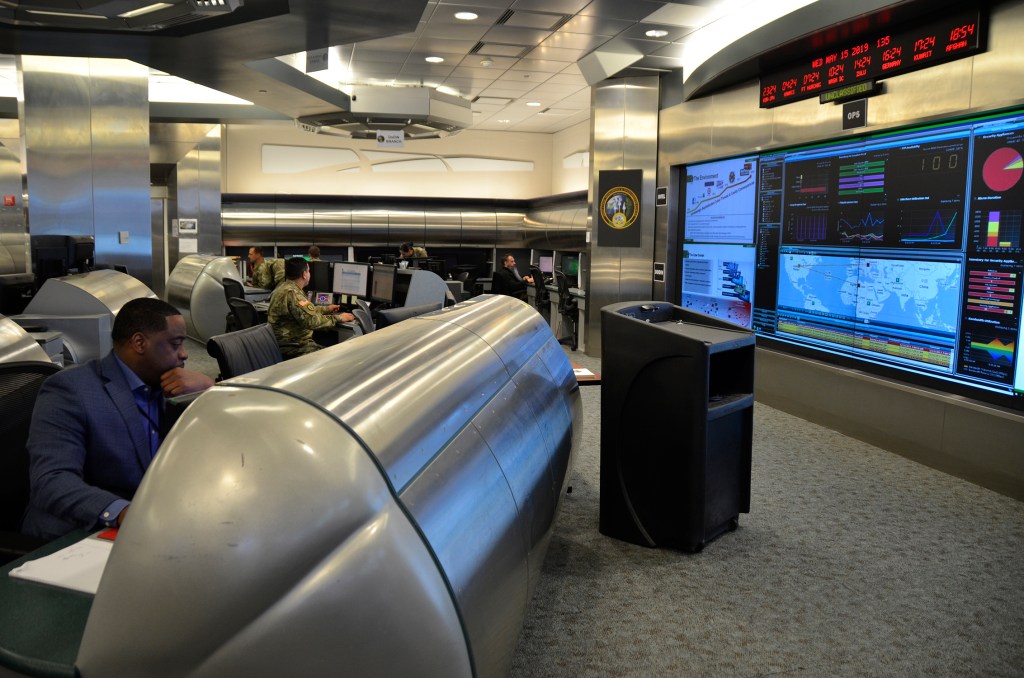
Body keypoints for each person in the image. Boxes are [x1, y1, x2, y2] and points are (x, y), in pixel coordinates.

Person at [22, 298, 215, 540]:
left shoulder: (175, 388)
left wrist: (211, 391)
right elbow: (51, 481)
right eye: (175, 344)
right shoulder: (70, 390)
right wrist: (124, 512)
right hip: (81, 533)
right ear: (139, 343)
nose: (185, 354)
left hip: (159, 524)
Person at [268, 257, 355, 358]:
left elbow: (304, 311)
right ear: (304, 274)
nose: (309, 274)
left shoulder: (283, 288)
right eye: (308, 271)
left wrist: (326, 309)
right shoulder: (294, 294)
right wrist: (339, 318)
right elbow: (312, 321)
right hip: (295, 346)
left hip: (284, 343)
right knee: (337, 356)